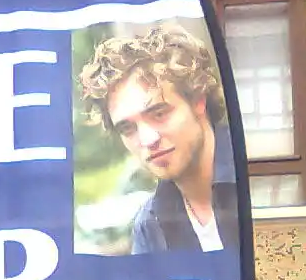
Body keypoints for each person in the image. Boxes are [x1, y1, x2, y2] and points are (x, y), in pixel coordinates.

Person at [78, 24, 237, 254]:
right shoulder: (149, 225)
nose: (147, 139)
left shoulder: (252, 174)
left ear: (198, 101)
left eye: (159, 114)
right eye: (128, 128)